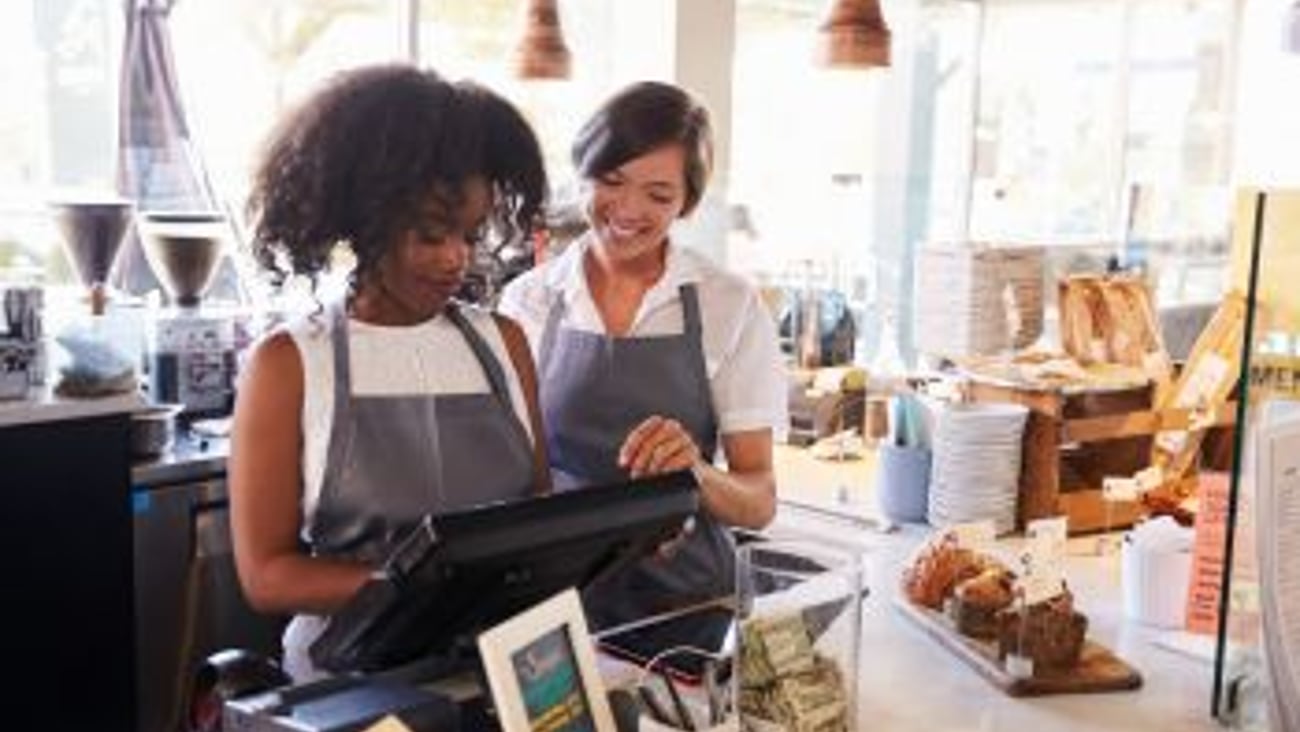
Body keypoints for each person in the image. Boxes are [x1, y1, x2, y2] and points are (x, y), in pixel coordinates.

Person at [229, 64, 550, 681]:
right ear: (367, 220)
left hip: (497, 673)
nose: (457, 259)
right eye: (432, 235)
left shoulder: (504, 342)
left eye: (471, 234)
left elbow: (535, 518)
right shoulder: (291, 364)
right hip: (349, 685)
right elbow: (266, 574)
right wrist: (419, 590)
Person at [498, 81, 787, 629]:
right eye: (612, 181)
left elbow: (760, 499)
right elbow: (508, 480)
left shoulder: (728, 305)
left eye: (658, 195)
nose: (628, 210)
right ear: (584, 172)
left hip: (690, 605)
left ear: (686, 202)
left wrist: (696, 474)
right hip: (558, 609)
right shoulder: (528, 302)